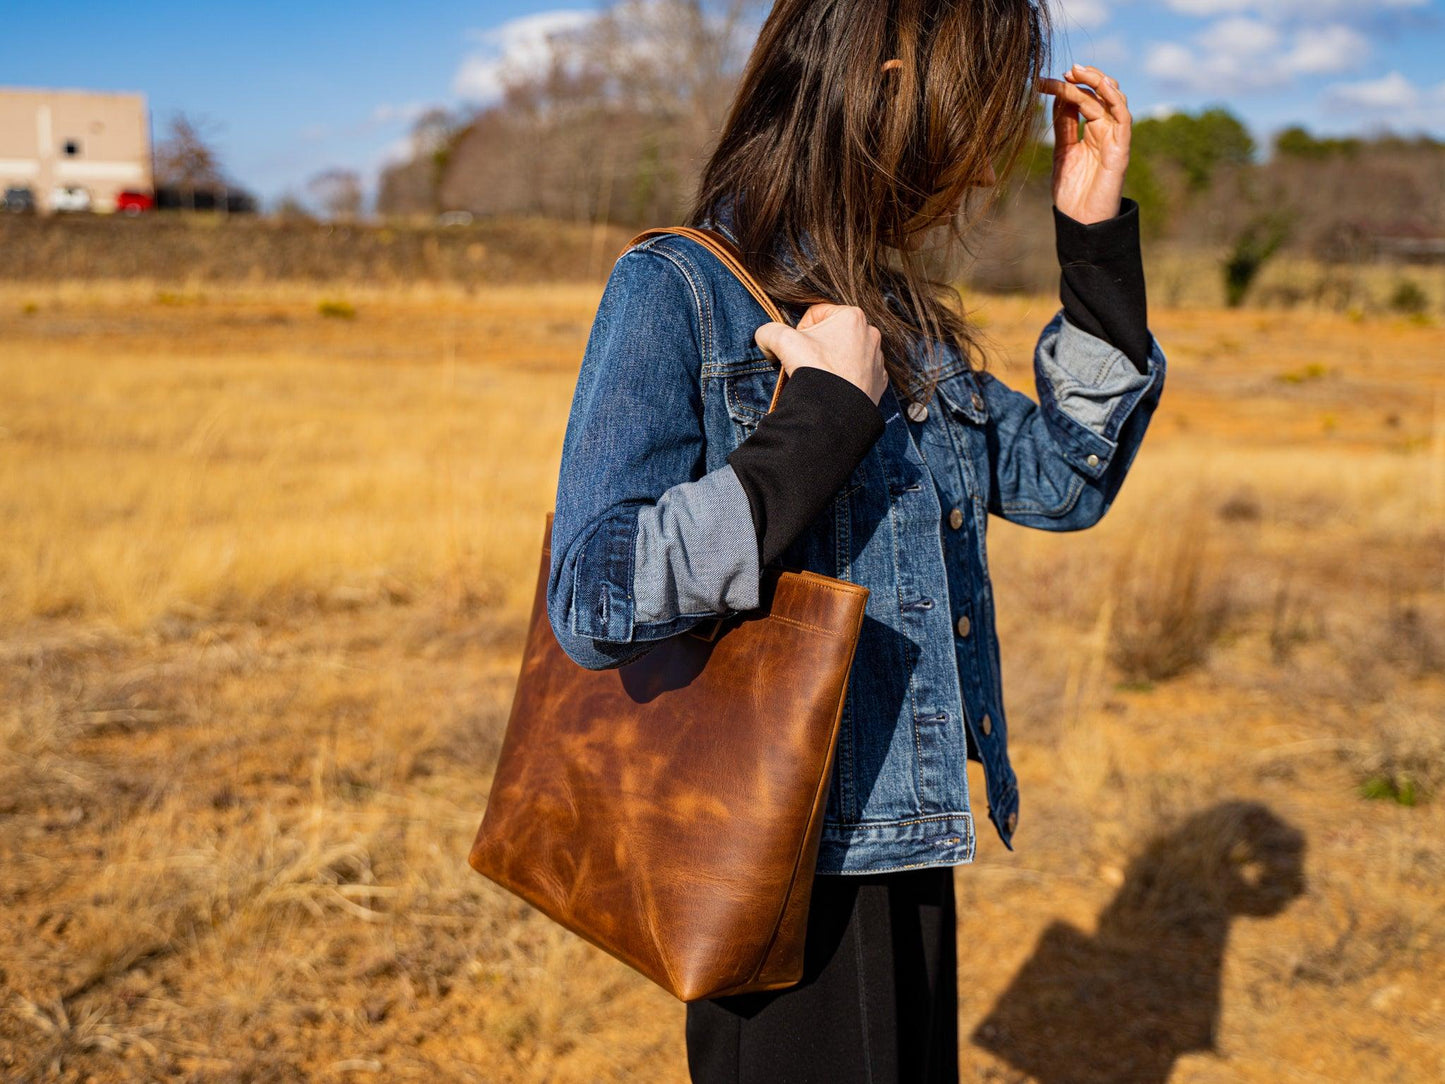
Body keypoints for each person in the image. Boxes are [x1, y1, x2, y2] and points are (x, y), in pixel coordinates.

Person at [546, 1, 1167, 1080]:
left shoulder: (896, 323)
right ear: (885, 88)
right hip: (767, 857)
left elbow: (1063, 480)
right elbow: (595, 600)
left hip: (907, 836)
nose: (979, 172)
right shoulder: (677, 290)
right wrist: (818, 419)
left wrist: (1093, 242)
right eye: (967, 119)